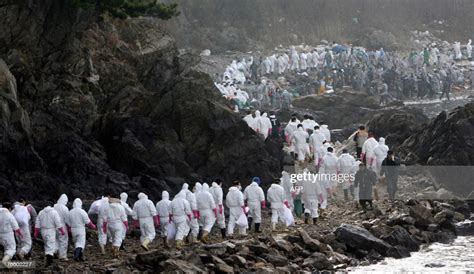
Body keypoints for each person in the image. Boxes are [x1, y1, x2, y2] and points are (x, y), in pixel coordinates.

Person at [53, 194, 69, 261]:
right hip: (62, 226)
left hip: (54, 226)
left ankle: (54, 251)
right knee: (63, 240)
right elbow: (67, 219)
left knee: (55, 240)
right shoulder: (65, 208)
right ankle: (62, 256)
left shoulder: (54, 206)